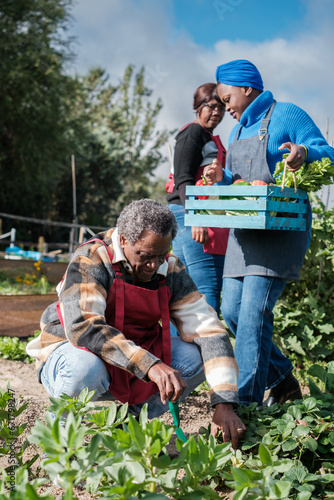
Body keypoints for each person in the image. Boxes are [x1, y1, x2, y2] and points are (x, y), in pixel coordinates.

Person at [26, 199, 246, 448]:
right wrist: (151, 365)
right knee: (85, 366)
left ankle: (126, 428)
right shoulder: (93, 258)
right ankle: (57, 440)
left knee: (195, 357)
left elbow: (210, 330)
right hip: (69, 357)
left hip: (131, 361)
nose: (154, 265)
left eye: (161, 255)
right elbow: (83, 326)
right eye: (146, 255)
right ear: (123, 241)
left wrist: (224, 402)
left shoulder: (169, 269)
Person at [204, 59, 334, 407]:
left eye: (227, 98)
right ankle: (284, 381)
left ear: (247, 89)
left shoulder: (287, 114)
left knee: (251, 318)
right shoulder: (237, 132)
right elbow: (240, 183)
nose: (224, 106)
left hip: (279, 231)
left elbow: (330, 155)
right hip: (244, 236)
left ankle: (246, 405)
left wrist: (303, 153)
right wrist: (223, 180)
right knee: (231, 311)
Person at [166, 83, 230, 319]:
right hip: (189, 213)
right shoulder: (193, 133)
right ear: (197, 107)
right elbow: (183, 179)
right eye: (211, 106)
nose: (217, 112)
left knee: (184, 292)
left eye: (221, 108)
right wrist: (196, 218)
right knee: (207, 288)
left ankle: (183, 351)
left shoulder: (206, 136)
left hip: (190, 213)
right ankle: (211, 351)